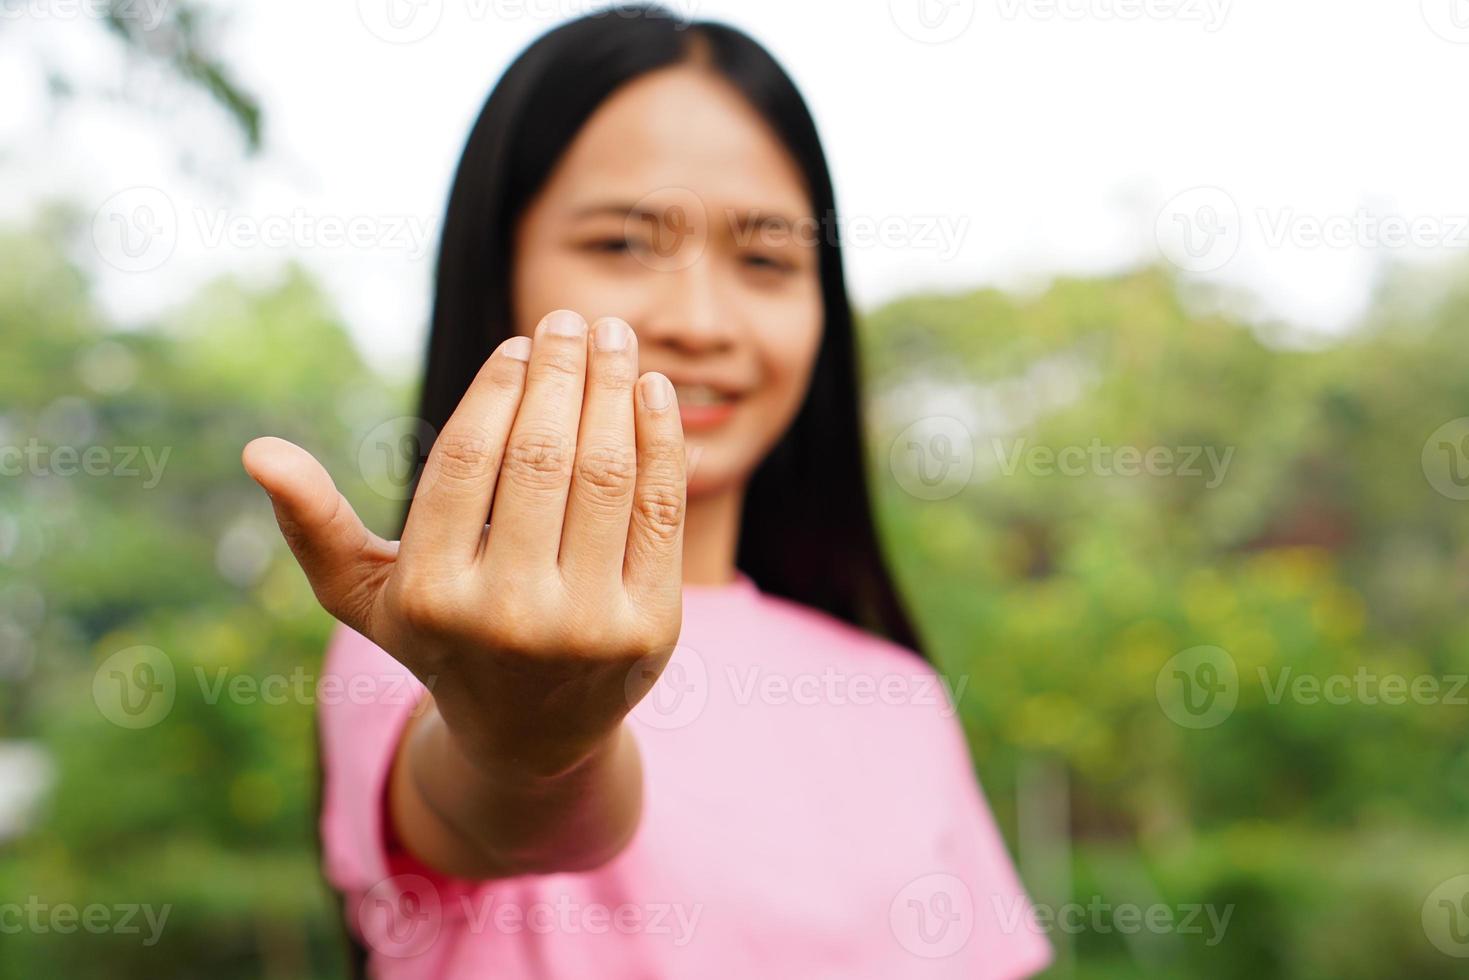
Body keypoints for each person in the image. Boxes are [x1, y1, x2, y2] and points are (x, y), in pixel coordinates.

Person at [242, 6, 1049, 977]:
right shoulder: (438, 639)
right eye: (623, 243)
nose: (700, 319)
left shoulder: (900, 696)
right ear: (500, 270)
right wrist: (532, 742)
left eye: (765, 258)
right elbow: (498, 810)